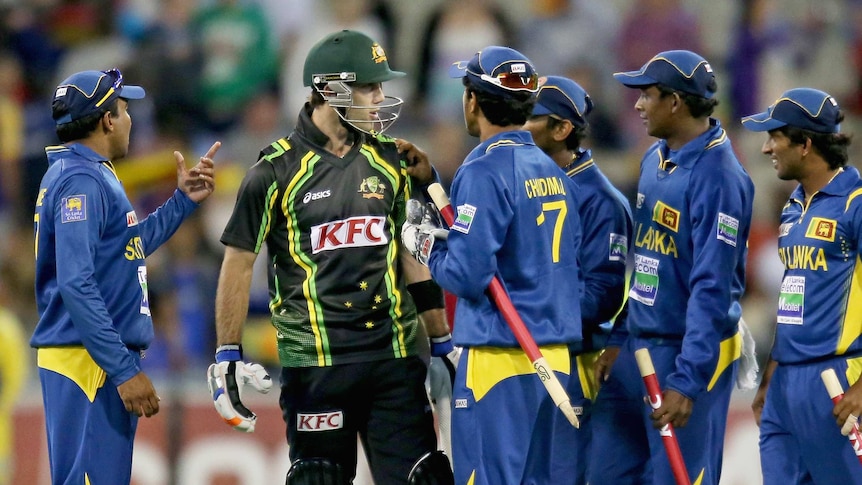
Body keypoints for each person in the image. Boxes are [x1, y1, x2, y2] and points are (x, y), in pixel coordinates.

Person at [208, 29, 453, 484]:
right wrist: (227, 353)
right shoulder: (273, 171)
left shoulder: (393, 160)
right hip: (315, 368)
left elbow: (411, 252)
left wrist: (440, 342)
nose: (381, 97)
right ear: (332, 88)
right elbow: (239, 262)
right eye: (370, 86)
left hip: (393, 359)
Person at [403, 45, 585, 485]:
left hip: (499, 358)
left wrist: (423, 243)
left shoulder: (483, 170)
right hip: (553, 358)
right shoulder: (552, 169)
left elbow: (467, 275)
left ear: (472, 101)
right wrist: (434, 188)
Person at [31, 68, 218, 485]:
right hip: (88, 362)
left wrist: (181, 202)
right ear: (107, 120)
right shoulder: (81, 180)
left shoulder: (91, 172)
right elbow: (75, 283)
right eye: (125, 108)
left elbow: (126, 249)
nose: (131, 117)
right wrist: (122, 371)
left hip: (96, 357)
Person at [589, 50, 755, 485]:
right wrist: (619, 335)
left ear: (676, 102)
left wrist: (688, 380)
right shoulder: (653, 158)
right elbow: (646, 264)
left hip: (685, 355)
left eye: (647, 95)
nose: (638, 105)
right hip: (638, 347)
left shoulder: (719, 176)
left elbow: (712, 287)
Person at [743, 88, 862, 484]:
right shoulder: (794, 206)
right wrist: (771, 375)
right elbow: (794, 295)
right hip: (785, 384)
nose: (766, 148)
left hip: (838, 380)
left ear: (806, 143)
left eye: (775, 137)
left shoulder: (855, 204)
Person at [522, 75, 633, 481]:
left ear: (562, 129)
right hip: (524, 355)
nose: (517, 124)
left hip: (573, 361)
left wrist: (530, 311)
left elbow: (602, 293)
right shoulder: (524, 183)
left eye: (529, 117)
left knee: (563, 474)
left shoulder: (601, 200)